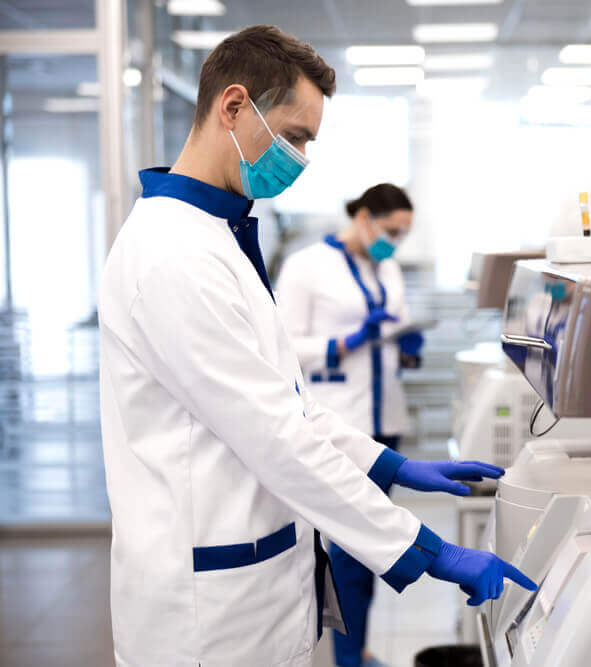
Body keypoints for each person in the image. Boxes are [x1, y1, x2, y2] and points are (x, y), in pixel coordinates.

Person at [98, 25, 534, 667]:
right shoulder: (172, 255)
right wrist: (429, 550)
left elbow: (282, 404)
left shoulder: (217, 236)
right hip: (206, 618)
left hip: (256, 583)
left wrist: (389, 466)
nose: (301, 156)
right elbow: (274, 434)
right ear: (234, 106)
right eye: (295, 135)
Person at [275, 183, 427, 667]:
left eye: (403, 234)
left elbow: (394, 324)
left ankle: (356, 649)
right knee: (347, 549)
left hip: (385, 419)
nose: (394, 242)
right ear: (363, 217)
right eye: (389, 230)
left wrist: (406, 345)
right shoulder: (306, 267)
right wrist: (345, 342)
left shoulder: (388, 267)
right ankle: (345, 659)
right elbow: (283, 348)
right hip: (339, 420)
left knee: (375, 547)